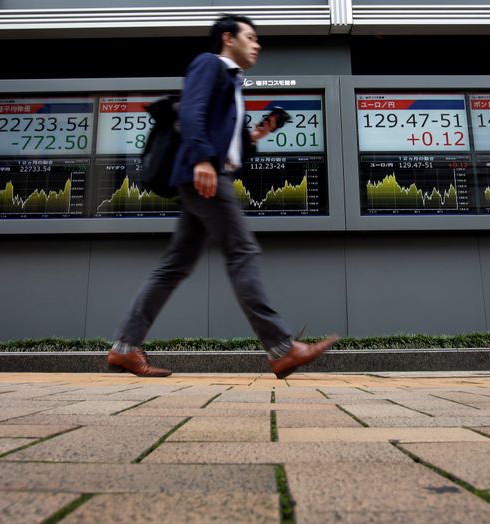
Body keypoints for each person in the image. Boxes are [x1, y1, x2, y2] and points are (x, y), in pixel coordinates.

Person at [108, 14, 338, 378]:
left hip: (207, 174)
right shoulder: (209, 64)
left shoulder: (232, 83)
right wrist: (201, 158)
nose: (257, 44)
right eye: (251, 37)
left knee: (173, 266)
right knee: (242, 251)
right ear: (228, 38)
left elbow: (225, 138)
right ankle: (281, 348)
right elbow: (192, 111)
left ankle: (124, 348)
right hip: (206, 177)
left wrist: (258, 135)